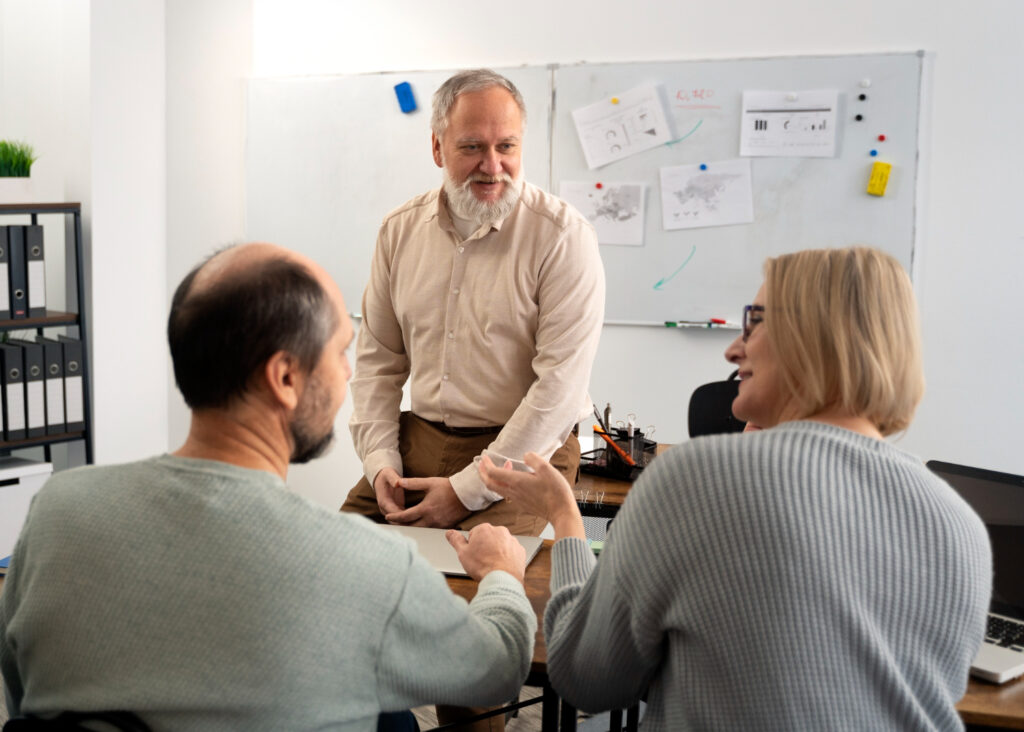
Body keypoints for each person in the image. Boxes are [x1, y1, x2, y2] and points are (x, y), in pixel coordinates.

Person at [0, 244, 536, 731]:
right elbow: (496, 670)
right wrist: (501, 575)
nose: (348, 374)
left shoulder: (57, 512)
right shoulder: (367, 563)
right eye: (340, 352)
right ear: (284, 378)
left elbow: (22, 689)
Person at [475, 246, 993, 730]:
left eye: (755, 321)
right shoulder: (960, 523)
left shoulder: (695, 478)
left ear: (815, 337)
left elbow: (587, 677)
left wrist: (561, 523)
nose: (732, 348)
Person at [342, 68, 605, 537]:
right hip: (420, 436)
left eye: (506, 146)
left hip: (526, 451)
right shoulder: (399, 231)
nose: (492, 165)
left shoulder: (563, 237)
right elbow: (378, 364)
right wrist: (380, 462)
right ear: (437, 148)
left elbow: (558, 392)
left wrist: (466, 491)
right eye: (472, 147)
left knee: (475, 569)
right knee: (334, 554)